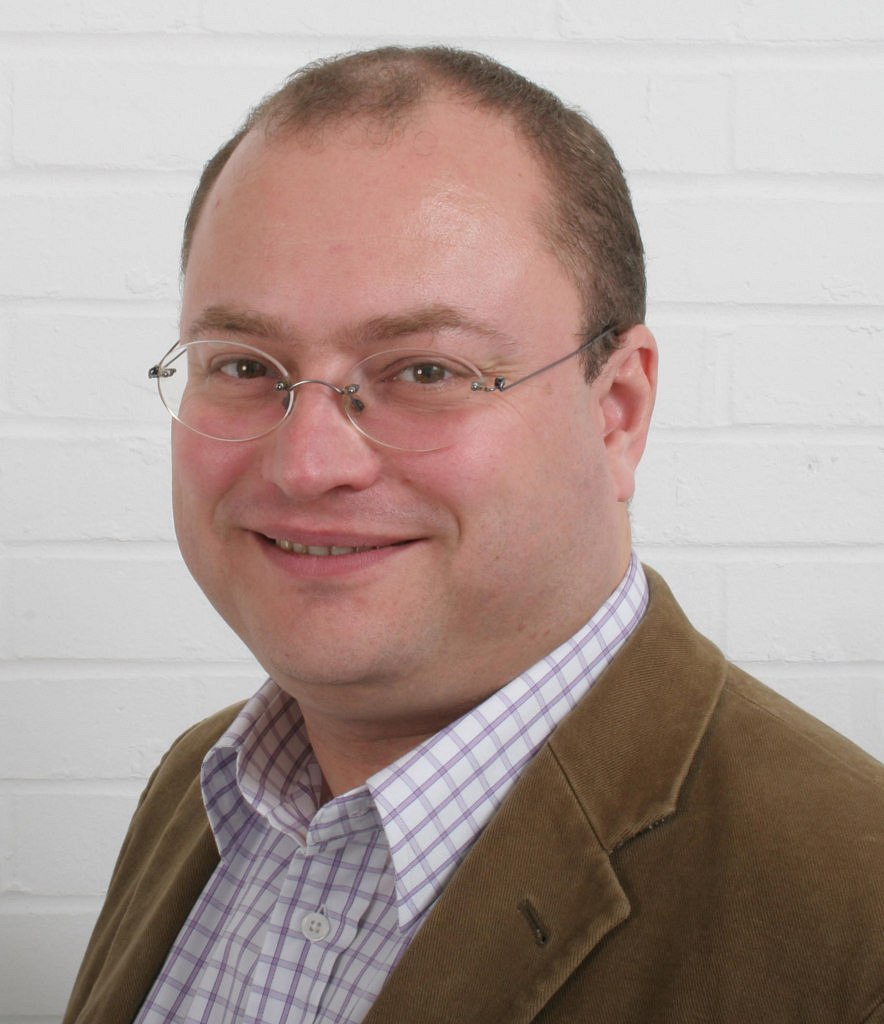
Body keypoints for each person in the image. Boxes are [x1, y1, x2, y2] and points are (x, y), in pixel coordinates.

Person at [64, 46, 883, 1024]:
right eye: (243, 366)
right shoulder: (196, 793)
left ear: (615, 412)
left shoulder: (852, 923)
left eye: (424, 372)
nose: (305, 464)